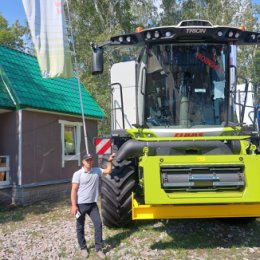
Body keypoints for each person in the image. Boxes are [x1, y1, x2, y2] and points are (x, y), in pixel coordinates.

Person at [71, 152, 115, 259]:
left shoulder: (96, 170)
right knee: (80, 227)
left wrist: (110, 161)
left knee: (98, 224)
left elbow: (109, 171)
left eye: (90, 160)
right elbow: (74, 190)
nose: (89, 162)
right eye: (87, 160)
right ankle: (83, 248)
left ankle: (99, 249)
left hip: (93, 205)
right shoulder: (78, 174)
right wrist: (73, 205)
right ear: (83, 162)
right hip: (80, 205)